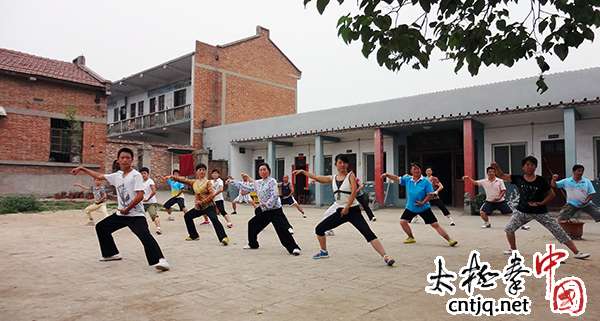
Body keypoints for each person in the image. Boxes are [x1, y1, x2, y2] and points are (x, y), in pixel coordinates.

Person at [71, 147, 170, 271]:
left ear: (132, 160)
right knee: (101, 227)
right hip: (121, 214)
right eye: (122, 157)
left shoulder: (136, 176)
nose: (125, 160)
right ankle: (111, 253)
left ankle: (161, 260)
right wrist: (82, 168)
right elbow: (99, 176)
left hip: (135, 215)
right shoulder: (117, 175)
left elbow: (140, 195)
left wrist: (128, 208)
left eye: (128, 158)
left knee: (145, 235)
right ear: (118, 160)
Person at [294, 154, 395, 266]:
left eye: (344, 162)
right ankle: (324, 251)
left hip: (353, 211)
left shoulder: (350, 175)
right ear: (336, 164)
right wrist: (304, 172)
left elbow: (354, 191)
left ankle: (386, 257)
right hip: (341, 212)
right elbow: (318, 178)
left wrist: (347, 207)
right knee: (319, 229)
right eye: (339, 162)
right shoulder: (333, 178)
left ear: (347, 164)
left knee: (368, 233)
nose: (342, 165)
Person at [491, 157, 590, 259]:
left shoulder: (541, 180)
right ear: (523, 167)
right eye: (527, 165)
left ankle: (577, 252)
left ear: (535, 167)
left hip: (540, 212)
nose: (530, 167)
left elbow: (552, 194)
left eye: (532, 165)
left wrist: (541, 203)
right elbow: (502, 175)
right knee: (509, 229)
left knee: (558, 231)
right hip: (522, 211)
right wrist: (496, 167)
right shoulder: (518, 178)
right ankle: (513, 250)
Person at [382, 163, 458, 247]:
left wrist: (423, 202)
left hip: (424, 208)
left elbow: (430, 194)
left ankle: (450, 240)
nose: (416, 170)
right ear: (411, 171)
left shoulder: (426, 181)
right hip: (411, 207)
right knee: (403, 222)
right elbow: (396, 178)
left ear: (420, 170)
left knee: (435, 224)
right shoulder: (408, 179)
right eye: (414, 169)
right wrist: (387, 174)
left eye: (418, 169)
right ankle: (411, 237)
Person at [232, 164, 301, 255]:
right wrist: (233, 182)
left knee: (282, 230)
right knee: (252, 224)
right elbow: (248, 187)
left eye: (264, 169)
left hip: (275, 210)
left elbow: (275, 195)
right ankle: (253, 244)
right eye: (260, 170)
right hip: (265, 211)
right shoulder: (258, 182)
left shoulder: (272, 181)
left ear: (268, 171)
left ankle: (294, 248)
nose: (262, 171)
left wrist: (267, 204)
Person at [162, 164, 229, 245]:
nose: (202, 171)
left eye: (204, 170)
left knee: (214, 220)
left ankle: (224, 238)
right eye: (200, 170)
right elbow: (184, 180)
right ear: (196, 172)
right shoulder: (194, 182)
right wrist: (171, 177)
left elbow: (212, 194)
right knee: (187, 216)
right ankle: (194, 235)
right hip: (199, 207)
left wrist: (202, 201)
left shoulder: (208, 182)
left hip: (209, 206)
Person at [140, 167, 161, 235]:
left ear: (148, 174)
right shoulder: (140, 182)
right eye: (142, 173)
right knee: (139, 216)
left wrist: (148, 199)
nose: (143, 175)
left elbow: (154, 191)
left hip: (151, 202)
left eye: (144, 173)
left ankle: (158, 229)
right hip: (142, 203)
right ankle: (141, 229)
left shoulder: (150, 181)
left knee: (153, 215)